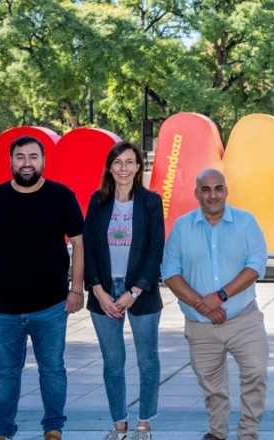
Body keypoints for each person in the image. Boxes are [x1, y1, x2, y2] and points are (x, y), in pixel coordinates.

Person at [0, 136, 85, 440]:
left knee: (53, 371)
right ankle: (2, 431)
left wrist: (76, 288)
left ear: (42, 161)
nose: (26, 163)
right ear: (11, 161)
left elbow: (80, 243)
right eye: (20, 157)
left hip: (51, 306)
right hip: (3, 308)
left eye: (33, 157)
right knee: (5, 374)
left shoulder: (61, 196)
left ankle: (53, 428)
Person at [161, 169, 269, 440]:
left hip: (244, 319)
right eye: (206, 190)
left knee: (255, 373)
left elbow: (256, 265)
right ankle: (217, 433)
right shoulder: (182, 227)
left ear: (226, 191)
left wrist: (219, 296)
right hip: (201, 326)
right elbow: (170, 272)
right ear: (196, 193)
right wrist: (202, 305)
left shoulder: (246, 223)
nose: (212, 195)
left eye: (218, 188)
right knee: (212, 386)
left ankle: (249, 433)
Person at [83, 142, 165, 440]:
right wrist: (99, 291)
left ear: (138, 167)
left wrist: (135, 291)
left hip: (140, 293)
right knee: (113, 362)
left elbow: (156, 250)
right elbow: (88, 248)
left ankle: (144, 424)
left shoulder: (151, 202)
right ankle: (119, 424)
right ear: (110, 167)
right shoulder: (97, 201)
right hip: (104, 291)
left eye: (130, 162)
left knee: (148, 360)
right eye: (118, 162)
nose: (123, 168)